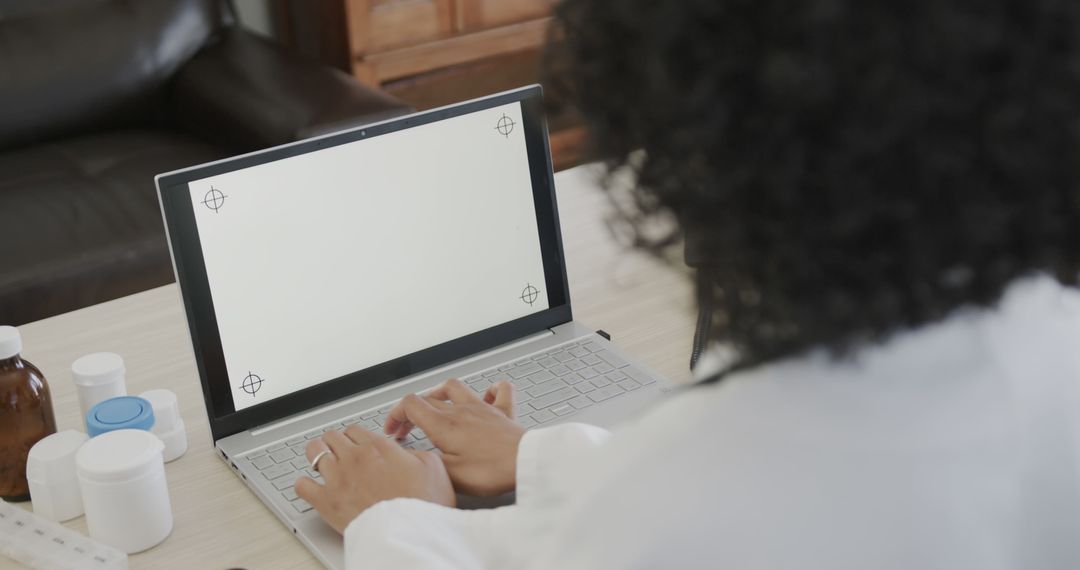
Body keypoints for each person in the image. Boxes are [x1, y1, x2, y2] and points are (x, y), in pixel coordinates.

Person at [295, 1, 1080, 568]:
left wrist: (393, 521)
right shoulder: (1053, 340)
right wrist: (540, 456)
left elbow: (694, 504)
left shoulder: (687, 501)